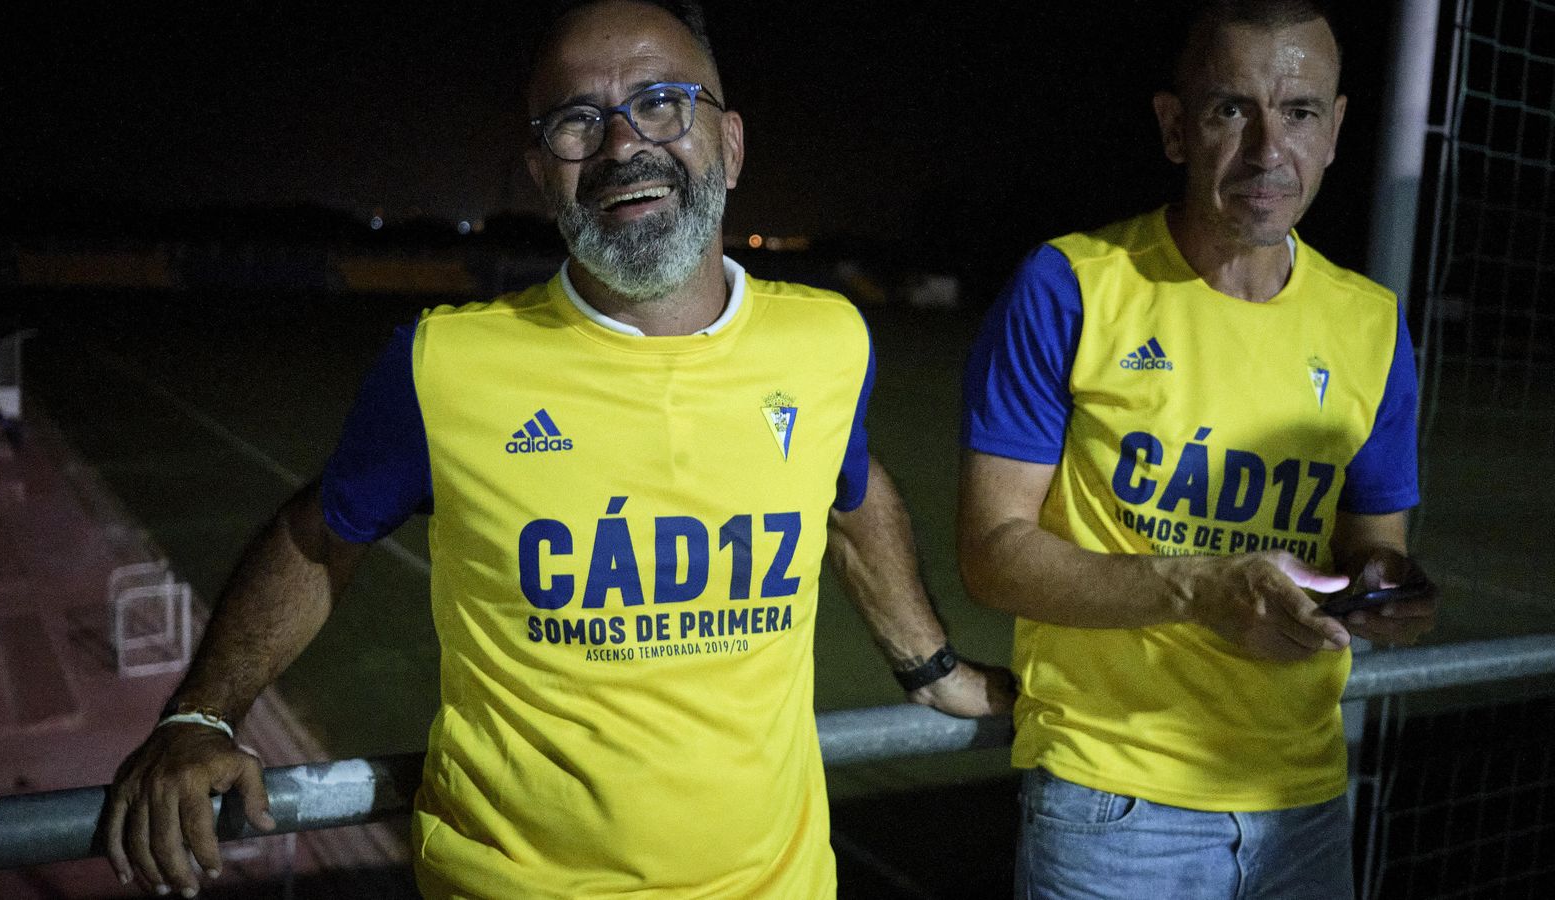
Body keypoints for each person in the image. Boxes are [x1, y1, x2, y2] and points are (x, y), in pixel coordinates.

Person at [103, 2, 1013, 897]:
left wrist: (932, 670)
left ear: (730, 144)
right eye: (578, 122)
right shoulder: (446, 364)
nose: (622, 146)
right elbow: (319, 533)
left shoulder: (827, 341)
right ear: (542, 171)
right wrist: (200, 713)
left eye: (661, 102)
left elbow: (849, 496)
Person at [958, 2, 1437, 898]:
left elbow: (1379, 544)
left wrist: (1384, 589)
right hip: (1113, 806)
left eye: (1298, 112)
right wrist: (1198, 586)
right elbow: (992, 556)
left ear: (1335, 131)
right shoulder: (1071, 285)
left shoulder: (1371, 325)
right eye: (1231, 111)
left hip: (1304, 800)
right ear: (1175, 128)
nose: (1268, 151)